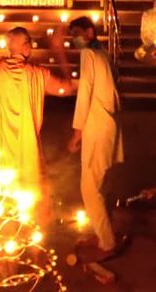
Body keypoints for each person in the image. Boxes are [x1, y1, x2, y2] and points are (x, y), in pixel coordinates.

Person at [55, 16, 125, 261]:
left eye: (76, 33)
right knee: (100, 184)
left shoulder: (88, 54)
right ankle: (102, 232)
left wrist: (77, 133)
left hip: (97, 126)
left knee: (89, 188)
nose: (74, 38)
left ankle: (107, 242)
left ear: (89, 32)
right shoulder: (103, 53)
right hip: (108, 124)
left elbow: (84, 94)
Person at [0, 27, 74, 184]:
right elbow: (67, 88)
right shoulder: (37, 73)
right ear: (26, 46)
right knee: (25, 202)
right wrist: (60, 55)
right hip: (24, 159)